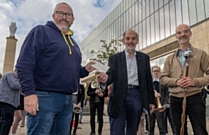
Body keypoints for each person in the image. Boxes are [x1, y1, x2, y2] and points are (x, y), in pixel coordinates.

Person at [15, 2, 95, 135]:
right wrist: (29, 93)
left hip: (68, 101)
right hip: (44, 98)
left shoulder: (74, 43)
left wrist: (85, 70)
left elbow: (72, 72)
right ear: (53, 16)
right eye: (60, 13)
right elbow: (24, 65)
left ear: (73, 19)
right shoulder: (41, 31)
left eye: (68, 15)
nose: (64, 17)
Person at [160, 24, 209, 135]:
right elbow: (163, 78)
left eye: (185, 31)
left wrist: (194, 81)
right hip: (175, 100)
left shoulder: (201, 54)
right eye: (179, 32)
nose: (182, 34)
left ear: (190, 34)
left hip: (195, 97)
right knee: (179, 131)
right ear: (175, 36)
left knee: (200, 130)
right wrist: (176, 81)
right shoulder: (169, 58)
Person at [97, 29, 155, 135]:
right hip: (118, 95)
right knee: (116, 131)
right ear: (123, 41)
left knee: (133, 130)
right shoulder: (115, 58)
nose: (130, 41)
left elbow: (148, 81)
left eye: (133, 38)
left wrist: (151, 101)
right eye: (127, 38)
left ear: (137, 40)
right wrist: (104, 80)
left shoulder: (144, 58)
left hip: (137, 95)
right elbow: (110, 76)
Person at [0, 70, 21, 135]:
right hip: (7, 101)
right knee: (7, 120)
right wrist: (25, 84)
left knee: (3, 120)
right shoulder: (10, 75)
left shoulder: (8, 75)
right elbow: (14, 85)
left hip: (6, 101)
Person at [150, 66, 168, 135]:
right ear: (152, 72)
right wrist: (153, 95)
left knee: (162, 128)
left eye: (157, 71)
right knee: (150, 128)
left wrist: (165, 105)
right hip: (151, 107)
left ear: (160, 72)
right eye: (154, 71)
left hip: (160, 108)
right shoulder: (149, 83)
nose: (156, 72)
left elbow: (167, 94)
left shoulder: (163, 82)